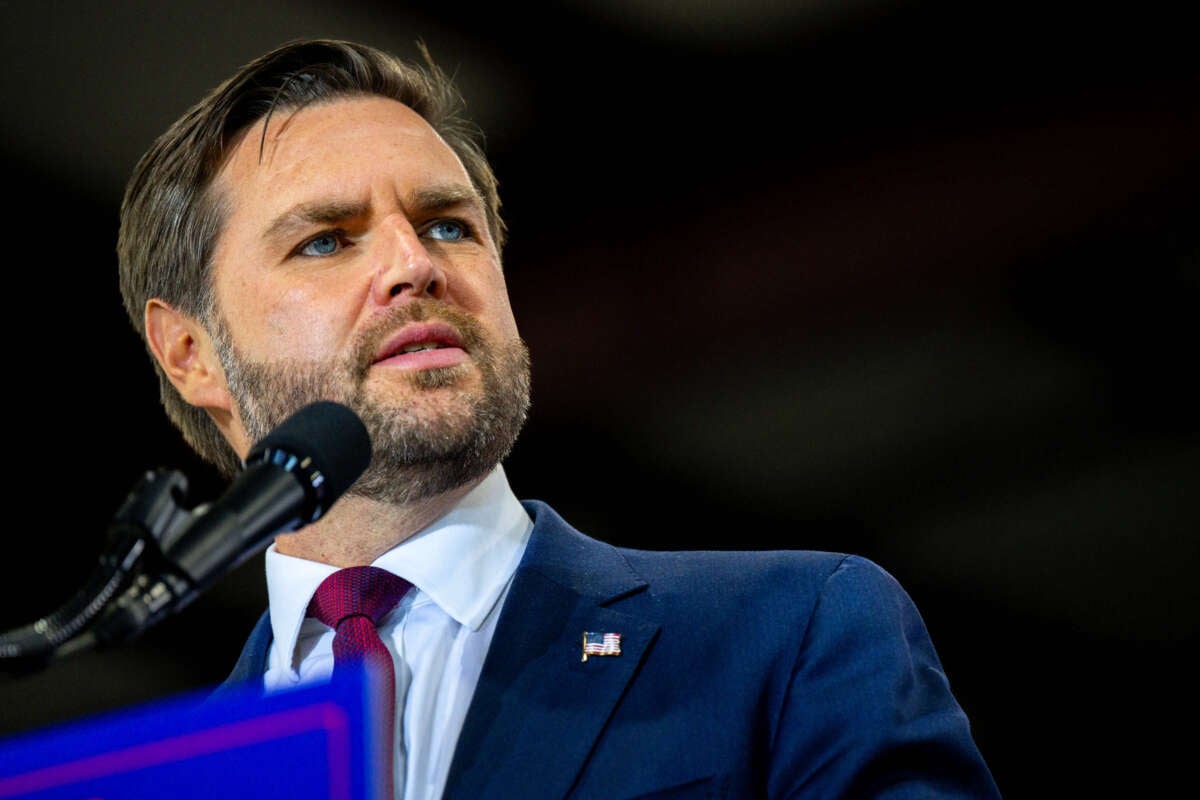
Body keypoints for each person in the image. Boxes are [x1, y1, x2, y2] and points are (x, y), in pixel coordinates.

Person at [116, 37, 1002, 799]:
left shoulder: (790, 634)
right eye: (327, 240)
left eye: (448, 225)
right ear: (190, 351)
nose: (413, 264)